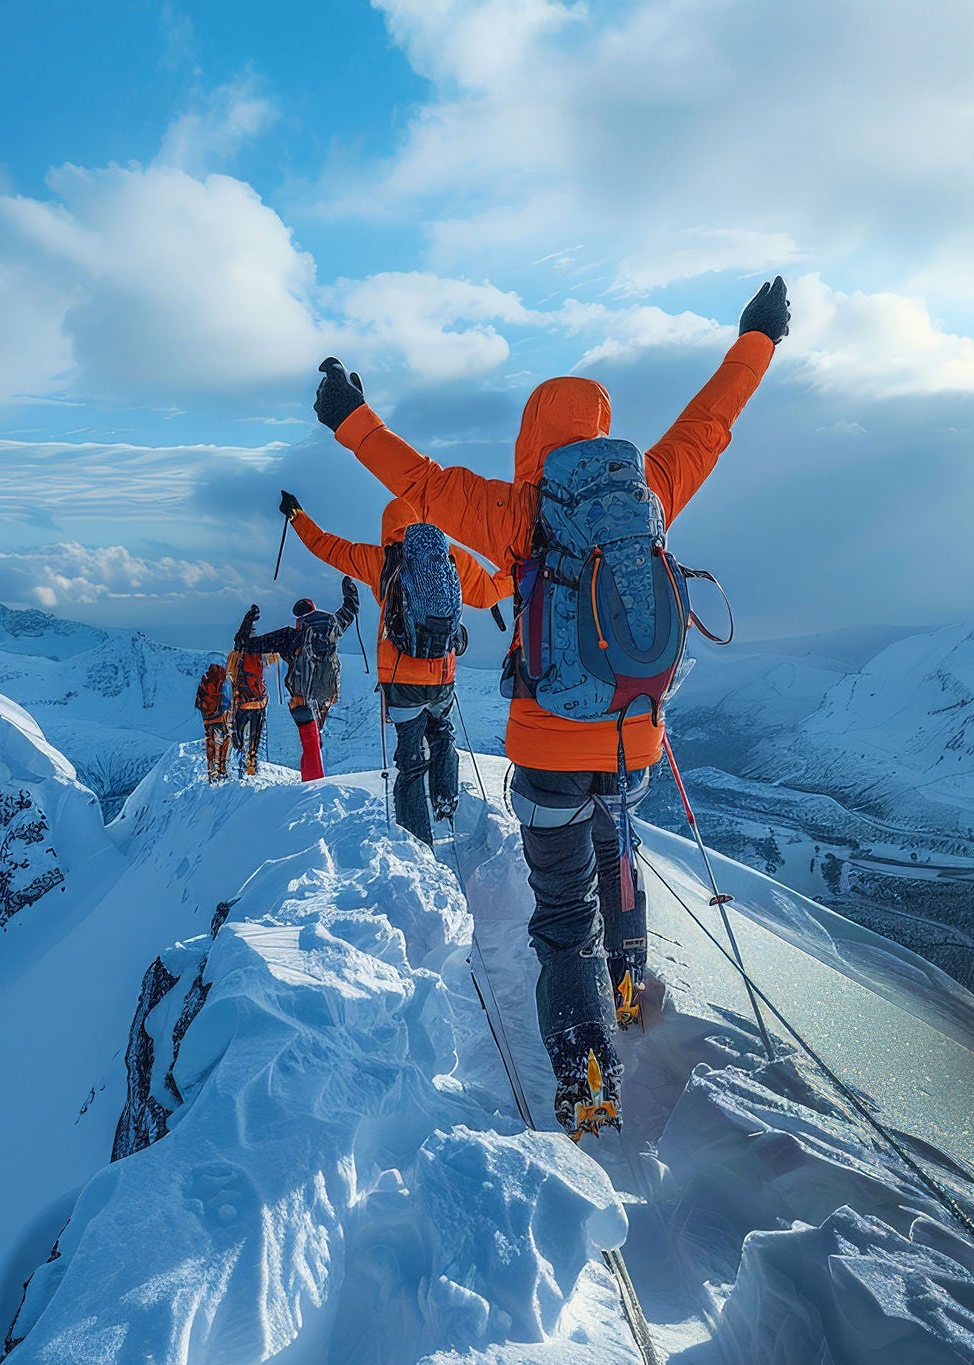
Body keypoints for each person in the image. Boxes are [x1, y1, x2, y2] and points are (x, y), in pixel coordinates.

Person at [310, 277, 790, 1138]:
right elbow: (710, 427)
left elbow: (414, 480)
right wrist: (756, 339)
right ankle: (631, 976)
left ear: (530, 436)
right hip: (632, 738)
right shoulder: (648, 489)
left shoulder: (512, 510)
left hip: (545, 749)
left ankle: (585, 1072)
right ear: (600, 427)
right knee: (619, 848)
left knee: (562, 913)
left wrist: (351, 415)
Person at [277, 490, 509, 844]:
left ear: (388, 528)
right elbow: (490, 591)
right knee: (442, 732)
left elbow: (325, 546)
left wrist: (296, 514)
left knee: (410, 757)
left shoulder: (379, 560)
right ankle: (447, 801)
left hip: (401, 680)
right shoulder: (449, 557)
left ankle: (416, 837)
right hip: (442, 674)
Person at [234, 576, 360, 781]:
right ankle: (314, 779)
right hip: (327, 693)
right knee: (315, 737)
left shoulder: (289, 637)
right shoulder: (333, 625)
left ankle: (312, 782)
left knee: (308, 739)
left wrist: (249, 619)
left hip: (301, 696)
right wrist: (350, 589)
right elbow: (351, 608)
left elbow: (244, 645)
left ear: (298, 619)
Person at [226, 628, 273, 778]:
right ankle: (251, 766)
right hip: (259, 703)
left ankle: (238, 766)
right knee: (255, 737)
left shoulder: (234, 656)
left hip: (242, 704)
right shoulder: (260, 653)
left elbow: (229, 676)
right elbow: (273, 658)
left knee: (238, 735)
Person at [195, 661, 231, 782]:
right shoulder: (223, 682)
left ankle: (211, 770)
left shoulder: (204, 683)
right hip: (220, 716)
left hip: (207, 717)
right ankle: (222, 768)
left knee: (209, 741)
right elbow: (227, 702)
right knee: (225, 739)